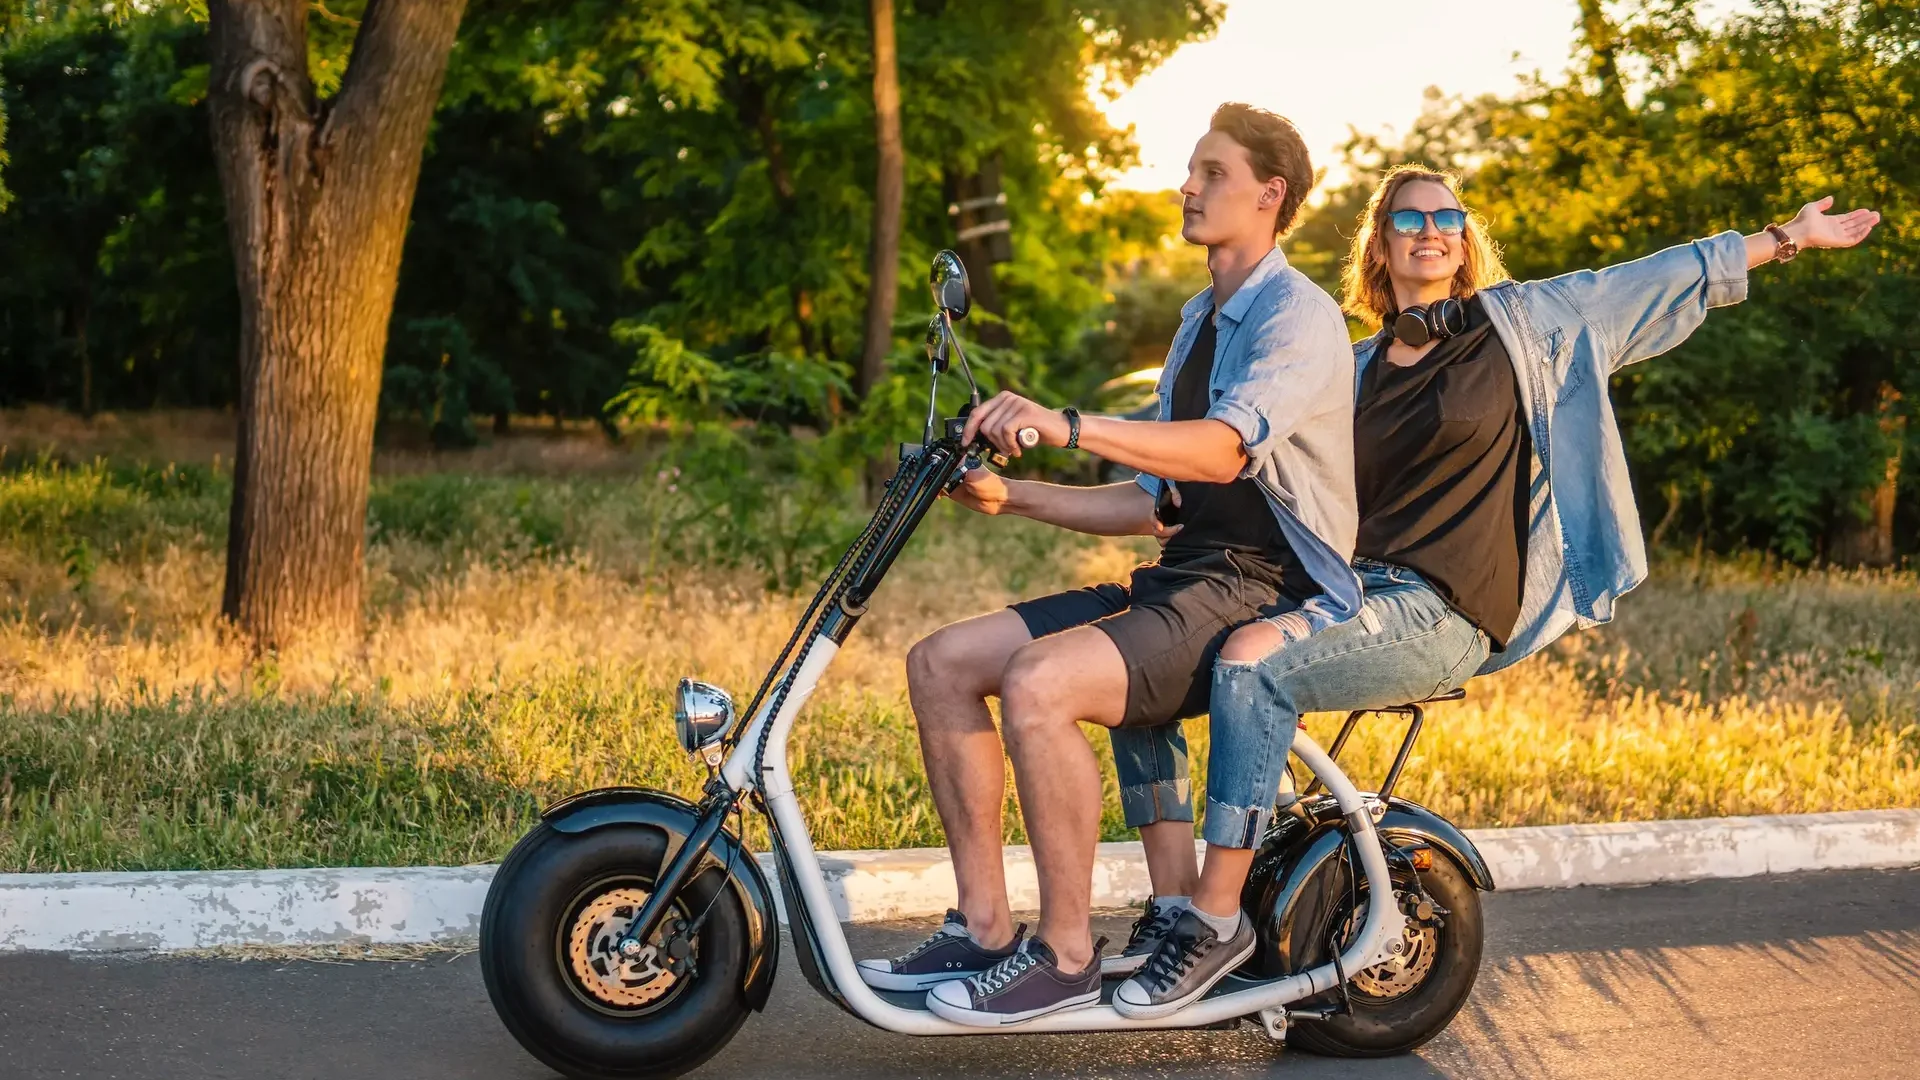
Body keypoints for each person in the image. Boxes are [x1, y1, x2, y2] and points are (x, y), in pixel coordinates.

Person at [1106, 163, 1881, 1018]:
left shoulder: (1524, 326)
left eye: (1448, 214)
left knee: (1252, 668)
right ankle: (1178, 903)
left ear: (1466, 236)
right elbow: (1265, 464)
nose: (1431, 229)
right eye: (1409, 218)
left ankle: (1216, 925)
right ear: (1380, 243)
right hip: (1341, 593)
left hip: (1439, 607)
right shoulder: (1349, 367)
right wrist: (1167, 501)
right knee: (1152, 647)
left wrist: (1786, 239)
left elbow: (1650, 278)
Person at [852, 103, 1360, 1026]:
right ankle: (985, 926)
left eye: (1212, 172)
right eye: (1192, 170)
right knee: (941, 663)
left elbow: (1218, 454)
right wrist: (1020, 496)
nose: (1189, 187)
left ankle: (1068, 954)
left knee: (1042, 682)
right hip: (1182, 577)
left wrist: (1068, 422)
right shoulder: (1199, 320)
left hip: (1258, 587)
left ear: (1269, 194)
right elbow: (1149, 501)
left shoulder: (1300, 319)